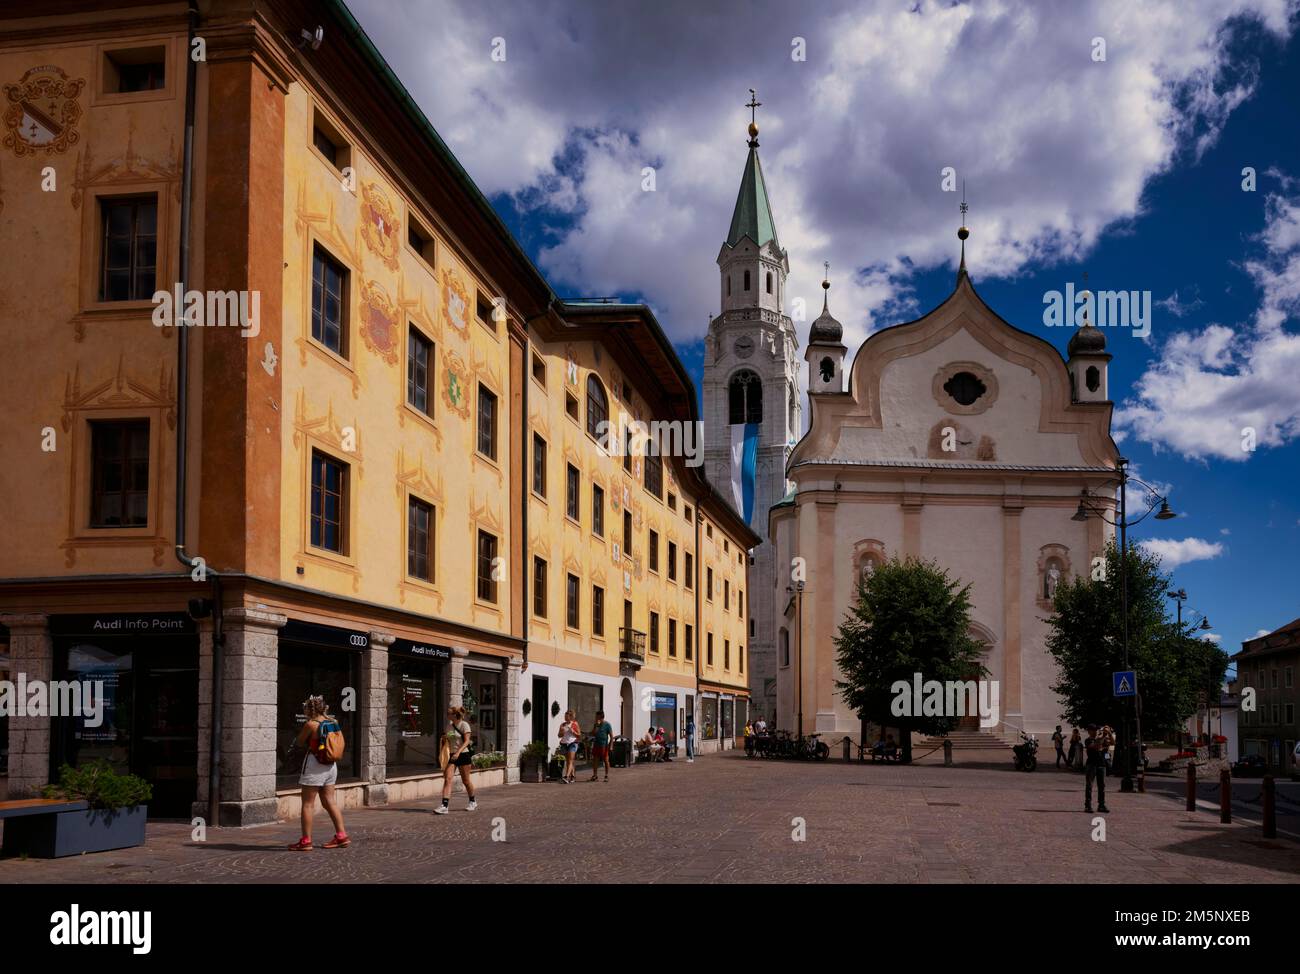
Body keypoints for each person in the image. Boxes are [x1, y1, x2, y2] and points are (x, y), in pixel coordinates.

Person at [288, 695, 349, 850]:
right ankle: (341, 836)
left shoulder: (311, 724)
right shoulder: (333, 722)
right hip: (331, 765)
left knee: (308, 804)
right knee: (330, 801)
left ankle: (306, 841)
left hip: (315, 765)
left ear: (310, 709)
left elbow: (300, 742)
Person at [435, 705, 478, 814]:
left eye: (449, 713)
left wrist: (458, 752)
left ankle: (472, 801)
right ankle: (444, 806)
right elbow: (448, 740)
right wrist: (444, 740)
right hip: (452, 755)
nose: (447, 715)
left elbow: (467, 741)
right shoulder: (449, 727)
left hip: (463, 754)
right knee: (448, 779)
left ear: (455, 715)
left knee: (466, 781)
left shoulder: (464, 725)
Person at [1083, 723, 1110, 814]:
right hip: (1091, 764)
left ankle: (1101, 805)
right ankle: (1088, 805)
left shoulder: (1101, 739)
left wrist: (1108, 733)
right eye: (1093, 730)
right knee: (1089, 785)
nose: (1095, 731)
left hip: (1101, 764)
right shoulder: (1088, 740)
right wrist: (1103, 736)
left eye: (1096, 730)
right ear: (1089, 731)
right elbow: (1095, 746)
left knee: (1102, 786)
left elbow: (1112, 743)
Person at [589, 710, 613, 782]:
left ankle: (606, 775)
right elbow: (592, 734)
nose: (595, 718)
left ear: (601, 717)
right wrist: (596, 726)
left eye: (597, 717)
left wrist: (611, 745)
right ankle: (595, 775)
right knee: (595, 760)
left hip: (604, 745)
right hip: (596, 744)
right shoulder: (596, 724)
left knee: (605, 760)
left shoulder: (607, 725)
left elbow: (611, 736)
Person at [558, 710, 581, 783]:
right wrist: (562, 732)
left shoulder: (575, 724)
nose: (565, 717)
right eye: (565, 716)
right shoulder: (563, 725)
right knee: (568, 761)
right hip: (564, 744)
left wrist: (573, 731)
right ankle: (573, 776)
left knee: (570, 760)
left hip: (573, 743)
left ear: (570, 717)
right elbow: (559, 735)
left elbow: (579, 735)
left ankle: (566, 777)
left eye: (566, 716)